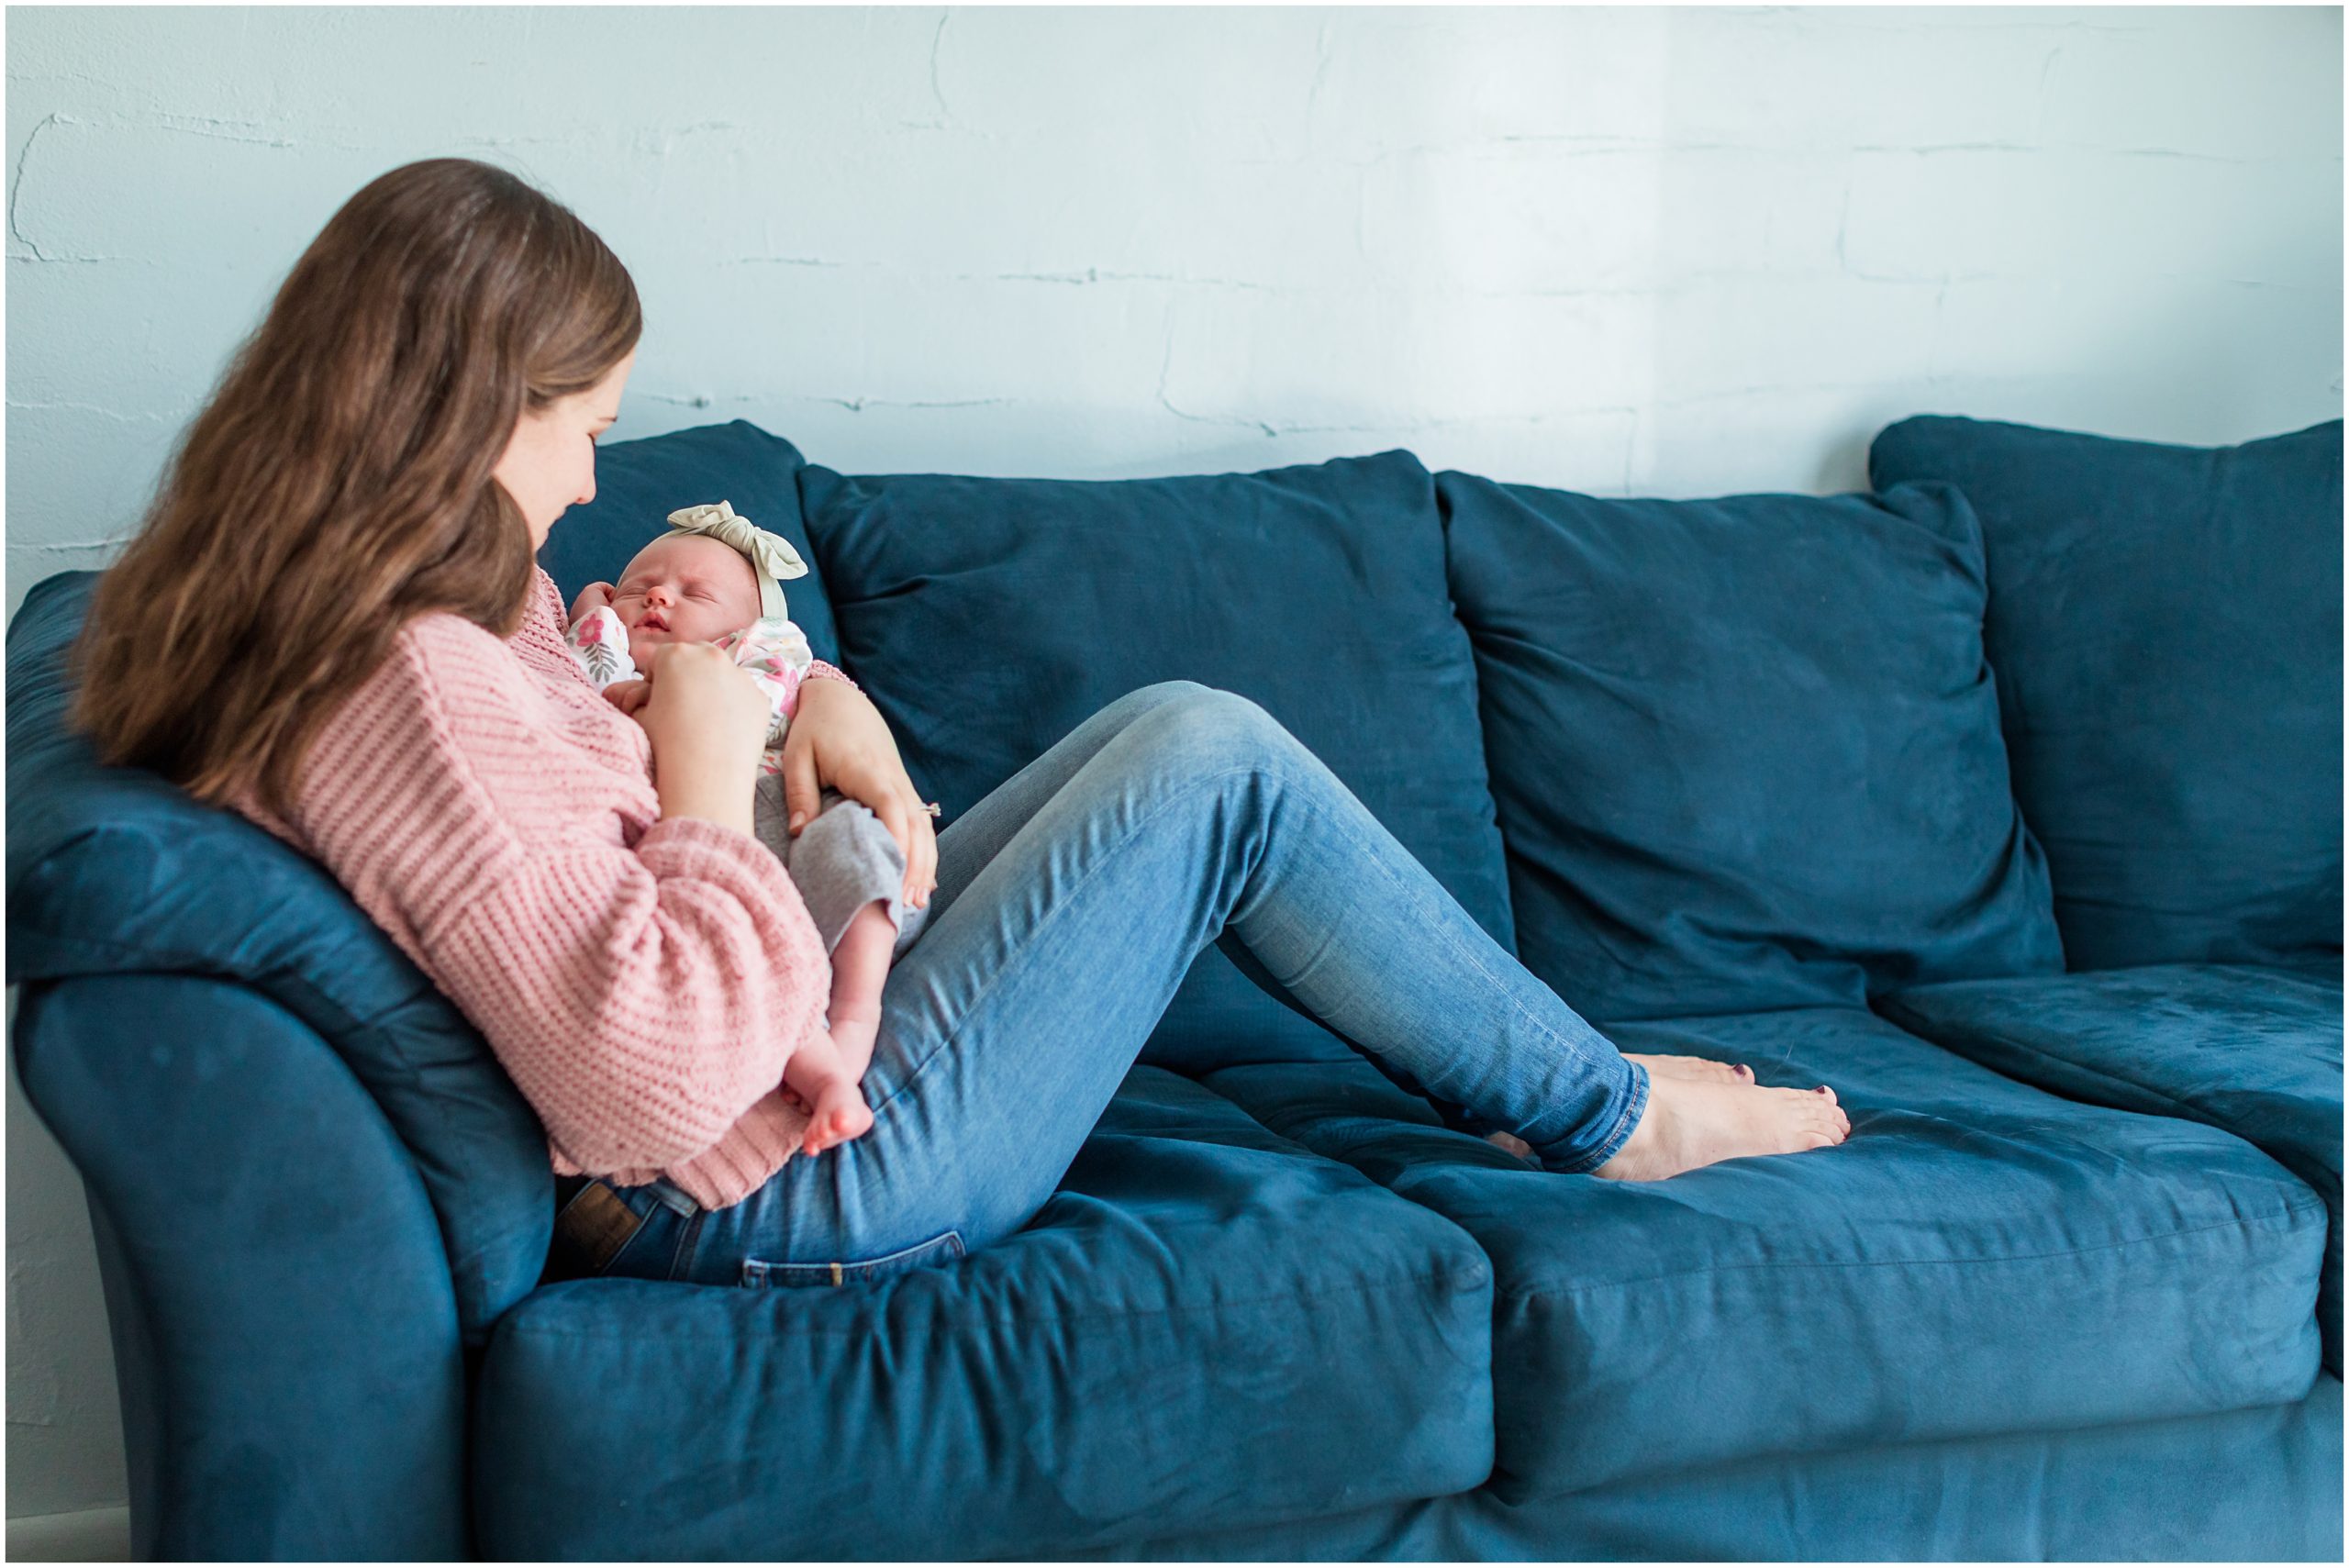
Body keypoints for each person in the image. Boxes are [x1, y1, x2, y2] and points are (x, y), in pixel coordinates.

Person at [68, 158, 1848, 1292]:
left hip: (783, 1074)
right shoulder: (412, 682)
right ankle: (1610, 1113)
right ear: (464, 407)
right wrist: (700, 779)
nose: (599, 468)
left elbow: (550, 853)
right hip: (775, 1179)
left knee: (1172, 727)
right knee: (1210, 762)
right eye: (580, 421)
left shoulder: (394, 619)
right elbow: (640, 1076)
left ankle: (1583, 1090)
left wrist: (804, 699)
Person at [563, 501, 930, 1156]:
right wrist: (593, 609)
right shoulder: (604, 667)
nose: (661, 598)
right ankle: (823, 1069)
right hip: (697, 836)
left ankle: (857, 1010)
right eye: (642, 588)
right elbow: (586, 665)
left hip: (786, 805)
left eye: (694, 594)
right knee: (757, 941)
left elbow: (785, 676)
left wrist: (829, 693)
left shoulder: (756, 656)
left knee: (856, 840)